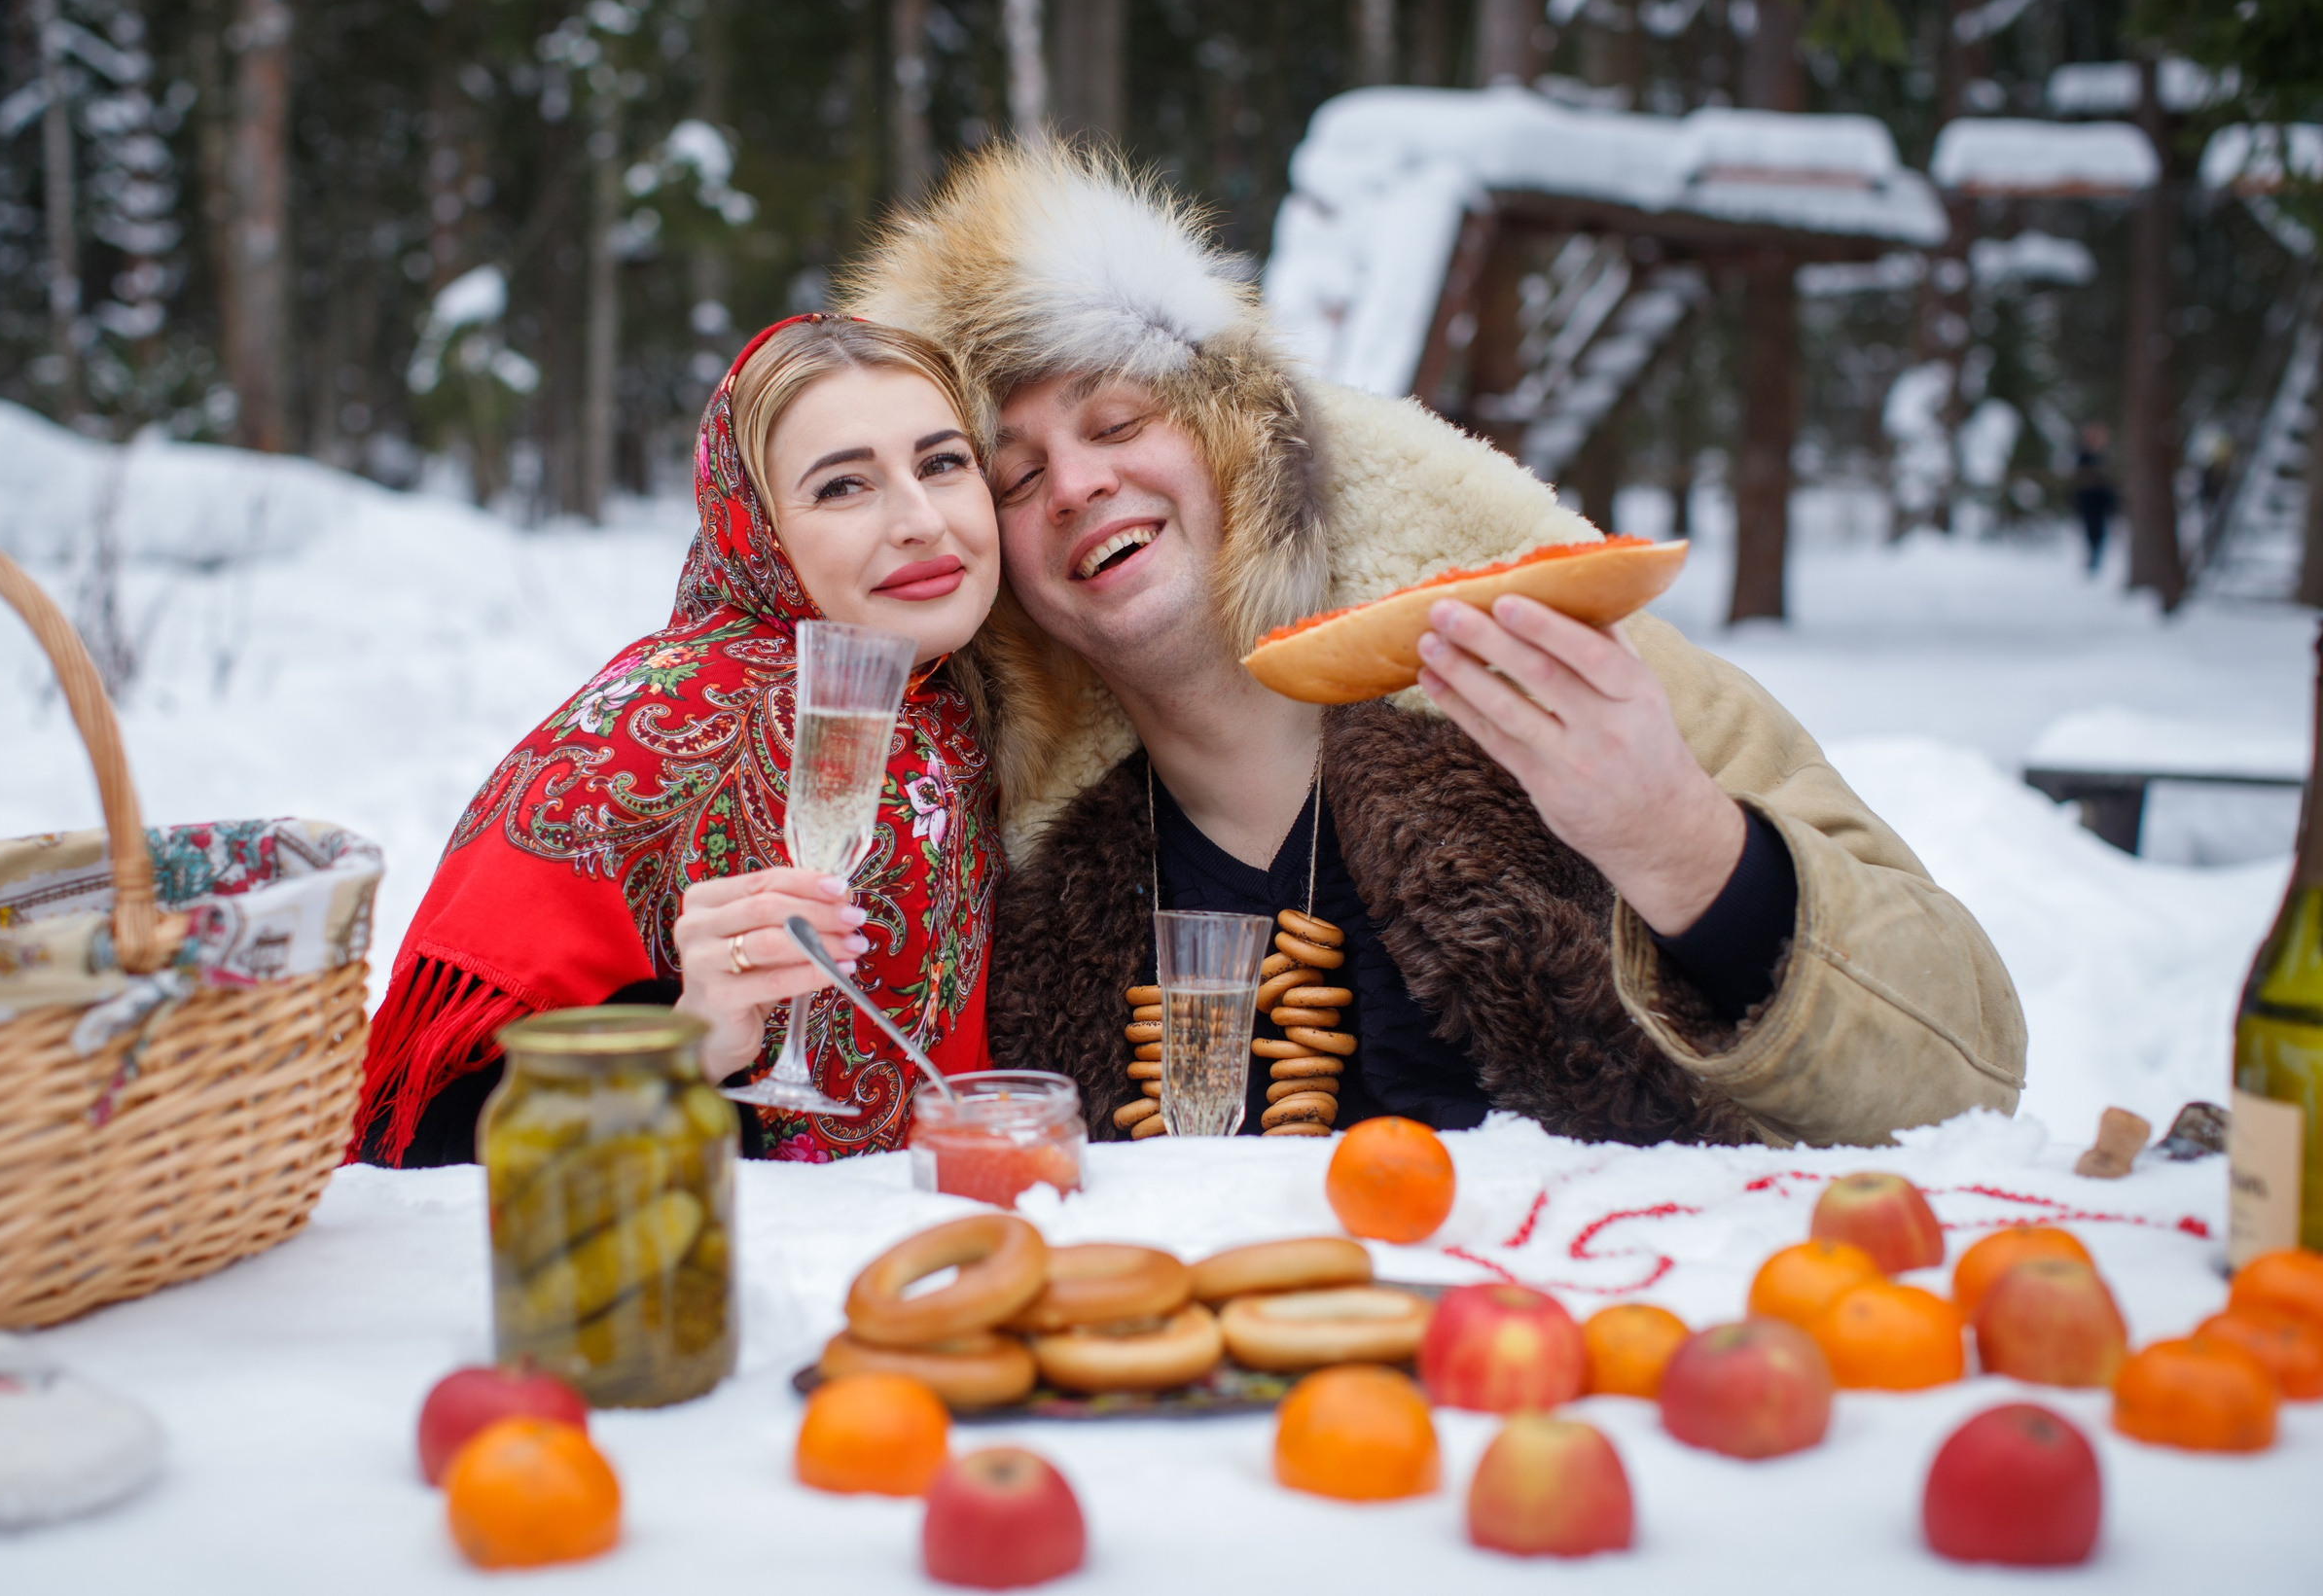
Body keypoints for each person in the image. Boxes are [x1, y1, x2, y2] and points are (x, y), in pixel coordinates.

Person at [839, 144, 2024, 1150]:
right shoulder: (990, 850)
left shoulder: (1546, 667)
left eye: (1116, 422)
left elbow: (1967, 1069)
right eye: (1015, 474)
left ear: (1232, 441)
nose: (1077, 484)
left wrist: (1682, 846)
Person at [355, 316, 1003, 1165]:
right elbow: (416, 1138)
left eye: (942, 463)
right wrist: (688, 1041)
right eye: (843, 485)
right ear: (753, 528)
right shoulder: (653, 729)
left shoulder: (968, 710)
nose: (920, 518)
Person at [2072, 422, 2119, 574]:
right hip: (2087, 498)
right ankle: (2093, 556)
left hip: (2101, 498)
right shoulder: (2083, 455)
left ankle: (2097, 556)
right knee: (2090, 528)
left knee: (2099, 528)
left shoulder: (2104, 456)